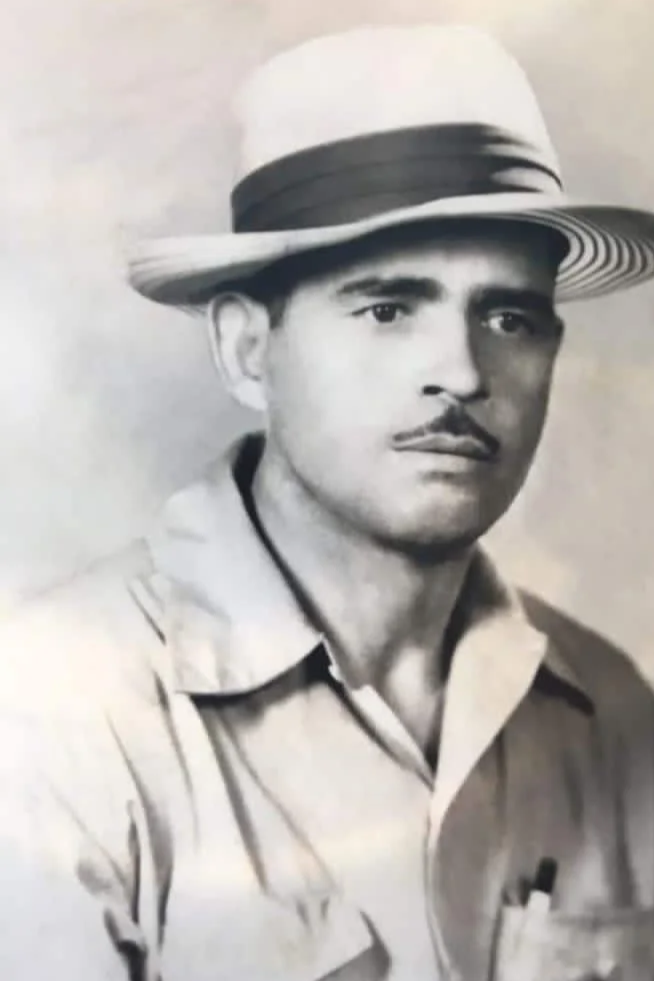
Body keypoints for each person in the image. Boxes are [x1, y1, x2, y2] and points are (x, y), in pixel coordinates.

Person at [3, 24, 654, 981]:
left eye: (508, 316)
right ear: (246, 350)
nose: (463, 372)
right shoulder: (52, 710)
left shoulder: (610, 710)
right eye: (389, 308)